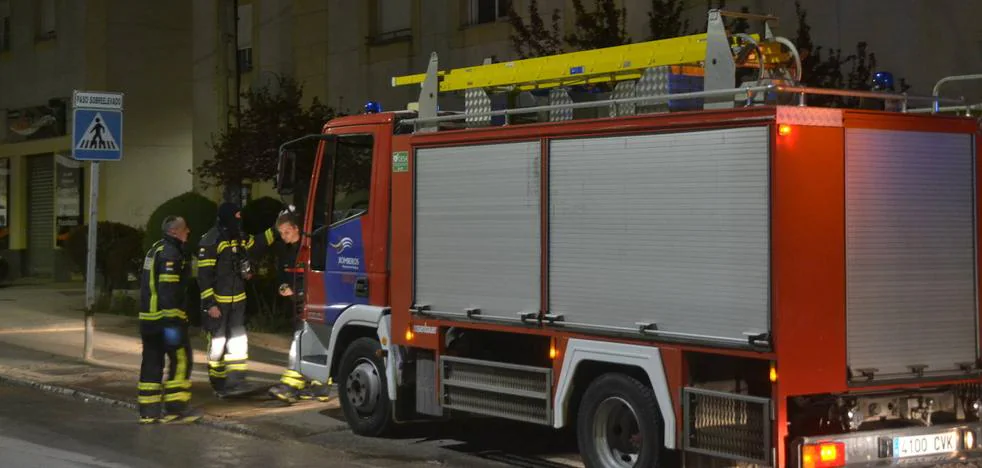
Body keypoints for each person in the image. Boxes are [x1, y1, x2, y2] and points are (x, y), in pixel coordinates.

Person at [197, 202, 279, 397]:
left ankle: (236, 382)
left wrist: (276, 230)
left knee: (238, 342)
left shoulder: (238, 237)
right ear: (227, 217)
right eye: (236, 216)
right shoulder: (211, 240)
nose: (239, 220)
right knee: (218, 342)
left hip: (238, 301)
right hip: (218, 303)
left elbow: (257, 243)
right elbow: (204, 276)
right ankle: (218, 383)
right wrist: (210, 304)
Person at [137, 216, 201, 424]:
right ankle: (176, 409)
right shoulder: (172, 254)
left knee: (152, 363)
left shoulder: (155, 250)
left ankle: (148, 412)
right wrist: (174, 322)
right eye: (184, 229)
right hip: (166, 321)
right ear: (174, 232)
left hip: (148, 320)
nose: (188, 231)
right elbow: (168, 291)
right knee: (181, 360)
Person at [267, 207, 332, 404]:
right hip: (297, 306)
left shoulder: (311, 251)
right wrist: (283, 286)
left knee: (300, 343)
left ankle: (291, 385)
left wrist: (298, 293)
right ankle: (319, 386)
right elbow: (283, 276)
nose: (284, 236)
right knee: (313, 344)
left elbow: (319, 280)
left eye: (287, 232)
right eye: (281, 233)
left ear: (296, 229)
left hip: (311, 304)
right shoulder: (287, 253)